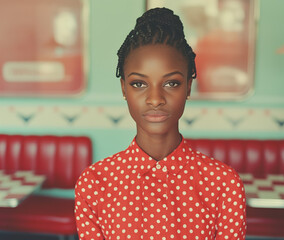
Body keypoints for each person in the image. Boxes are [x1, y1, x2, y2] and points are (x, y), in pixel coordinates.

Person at [74, 7, 246, 240]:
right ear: (124, 88)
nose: (155, 99)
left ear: (188, 87)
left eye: (171, 83)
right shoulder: (94, 184)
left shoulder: (223, 184)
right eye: (138, 84)